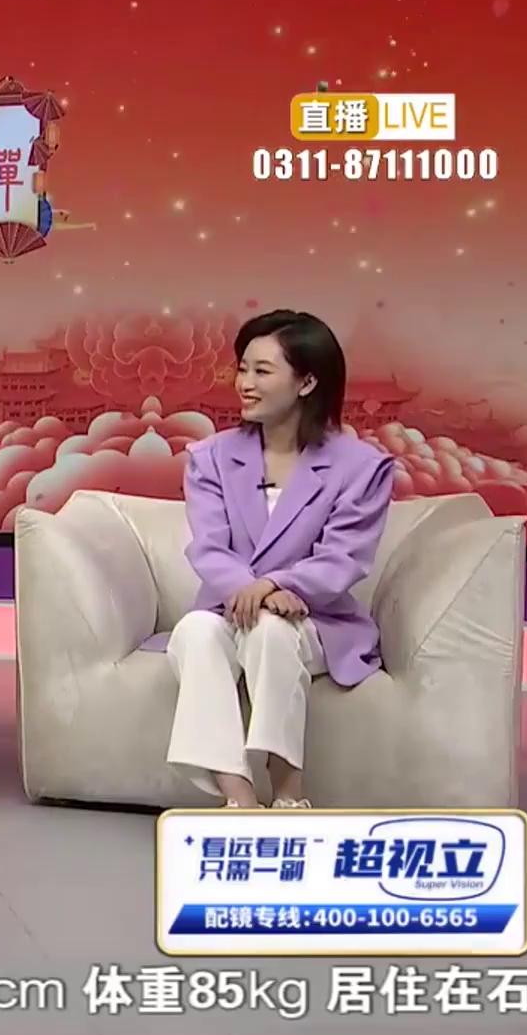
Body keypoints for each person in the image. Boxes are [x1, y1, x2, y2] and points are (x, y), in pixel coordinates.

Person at [166, 309, 396, 808]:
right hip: (229, 608)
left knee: (271, 632)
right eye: (242, 369)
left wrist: (276, 585)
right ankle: (239, 797)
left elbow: (344, 556)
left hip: (316, 619)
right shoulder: (211, 457)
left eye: (262, 371)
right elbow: (209, 545)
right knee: (195, 632)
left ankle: (289, 791)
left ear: (307, 382)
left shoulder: (362, 467)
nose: (244, 384)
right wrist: (251, 590)